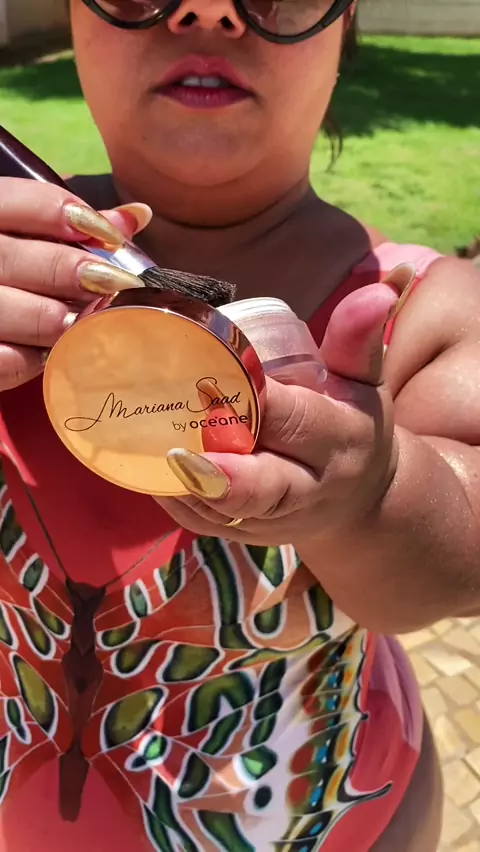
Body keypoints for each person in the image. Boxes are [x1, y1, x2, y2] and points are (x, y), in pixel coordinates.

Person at [0, 1, 478, 849]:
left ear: (344, 27)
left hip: (328, 816)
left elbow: (449, 577)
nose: (209, 7)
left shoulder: (427, 312)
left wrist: (371, 493)